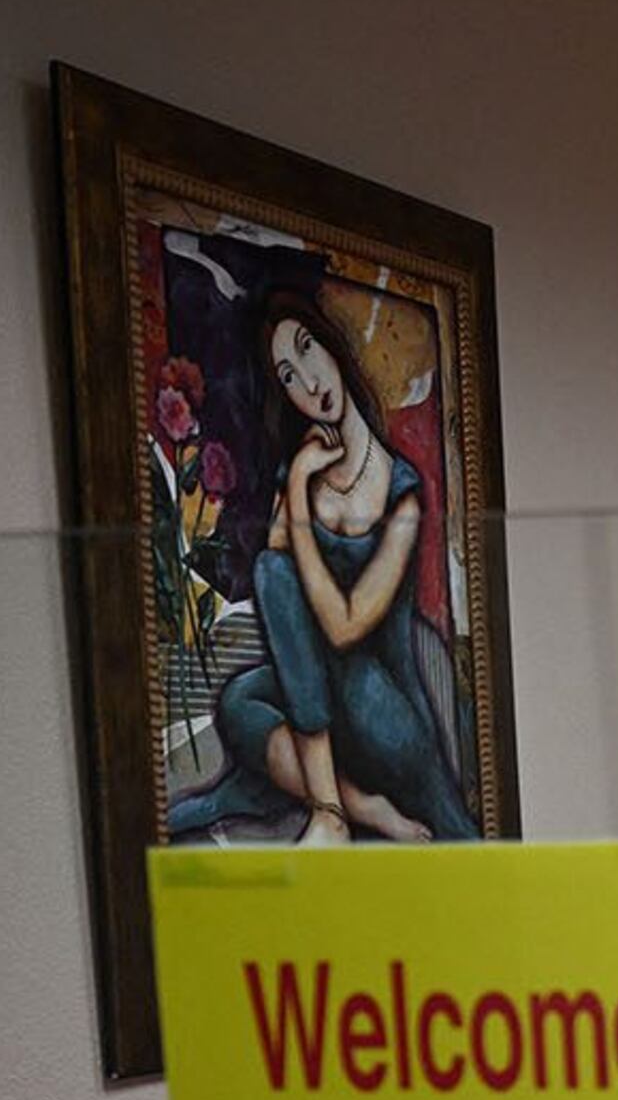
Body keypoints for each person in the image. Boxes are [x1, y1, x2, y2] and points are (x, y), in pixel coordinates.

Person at [166, 288, 480, 846]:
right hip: (326, 706)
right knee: (239, 701)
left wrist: (299, 498)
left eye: (309, 351)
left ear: (335, 351)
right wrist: (299, 479)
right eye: (288, 375)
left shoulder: (401, 493)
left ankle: (330, 813)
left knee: (279, 577)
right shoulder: (304, 467)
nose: (309, 383)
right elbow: (277, 579)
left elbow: (343, 625)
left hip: (382, 713)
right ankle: (353, 806)